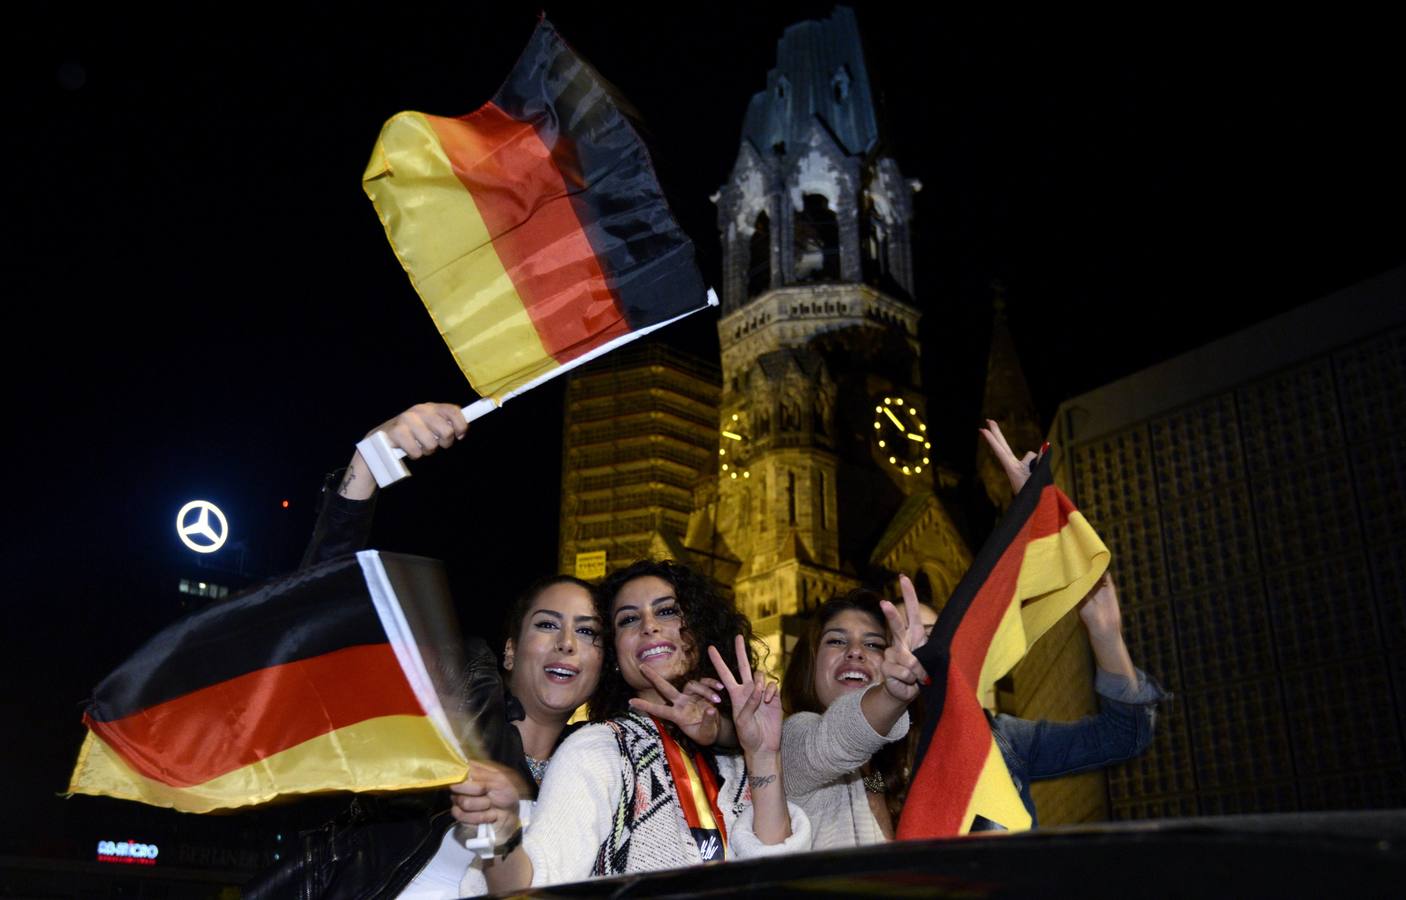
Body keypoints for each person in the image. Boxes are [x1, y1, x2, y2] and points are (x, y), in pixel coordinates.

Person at [246, 404, 605, 899]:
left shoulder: (597, 765)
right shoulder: (454, 699)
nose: (568, 642)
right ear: (509, 651)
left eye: (589, 633)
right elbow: (319, 629)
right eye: (548, 625)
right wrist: (369, 463)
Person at [453, 559, 812, 890]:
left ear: (700, 631)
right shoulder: (599, 748)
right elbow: (534, 883)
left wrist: (762, 755)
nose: (650, 626)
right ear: (613, 655)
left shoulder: (736, 758)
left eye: (667, 611)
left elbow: (776, 878)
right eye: (628, 619)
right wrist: (497, 836)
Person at [971, 419, 1168, 829]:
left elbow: (1123, 736)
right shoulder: (864, 764)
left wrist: (1105, 635)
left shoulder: (999, 742)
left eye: (934, 633)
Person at [779, 577, 929, 849]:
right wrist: (891, 695)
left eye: (873, 645)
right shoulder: (791, 741)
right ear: (810, 663)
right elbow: (838, 738)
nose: (856, 652)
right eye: (836, 641)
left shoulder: (886, 774)